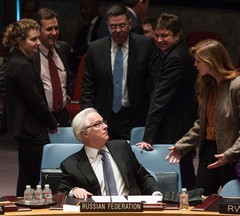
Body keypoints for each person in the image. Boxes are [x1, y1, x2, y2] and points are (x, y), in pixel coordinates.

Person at [165, 39, 240, 196]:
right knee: (200, 200)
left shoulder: (239, 85)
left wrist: (229, 154)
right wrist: (182, 146)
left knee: (232, 204)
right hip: (208, 151)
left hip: (232, 156)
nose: (195, 65)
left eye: (198, 61)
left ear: (211, 61)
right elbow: (202, 124)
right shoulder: (207, 84)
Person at [136, 13, 198, 190]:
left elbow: (160, 99)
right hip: (179, 123)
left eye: (165, 36)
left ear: (177, 35)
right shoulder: (174, 52)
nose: (160, 40)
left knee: (176, 172)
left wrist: (148, 137)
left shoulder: (175, 59)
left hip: (175, 126)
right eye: (157, 35)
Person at [81, 4, 159, 140]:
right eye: (113, 26)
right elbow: (88, 88)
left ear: (129, 23)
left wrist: (151, 119)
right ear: (107, 25)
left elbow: (154, 85)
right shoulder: (95, 49)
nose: (117, 30)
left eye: (122, 25)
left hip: (134, 117)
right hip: (102, 118)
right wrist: (89, 118)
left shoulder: (145, 45)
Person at [0, 18, 58, 196]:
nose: (38, 43)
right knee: (34, 177)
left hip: (24, 127)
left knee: (26, 176)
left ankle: (21, 208)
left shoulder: (18, 60)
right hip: (30, 128)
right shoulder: (21, 65)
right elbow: (35, 100)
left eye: (37, 38)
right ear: (19, 41)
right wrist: (52, 122)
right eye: (33, 39)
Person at [57, 108, 160, 198]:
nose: (105, 126)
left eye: (104, 122)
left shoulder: (122, 147)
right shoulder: (71, 165)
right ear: (85, 134)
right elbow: (62, 193)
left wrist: (156, 193)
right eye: (98, 124)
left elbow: (143, 176)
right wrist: (74, 191)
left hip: (130, 210)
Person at [33, 8, 73, 126]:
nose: (54, 33)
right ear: (38, 30)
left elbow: (69, 75)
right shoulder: (30, 54)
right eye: (49, 29)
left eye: (56, 28)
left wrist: (68, 96)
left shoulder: (63, 48)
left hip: (62, 117)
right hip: (37, 119)